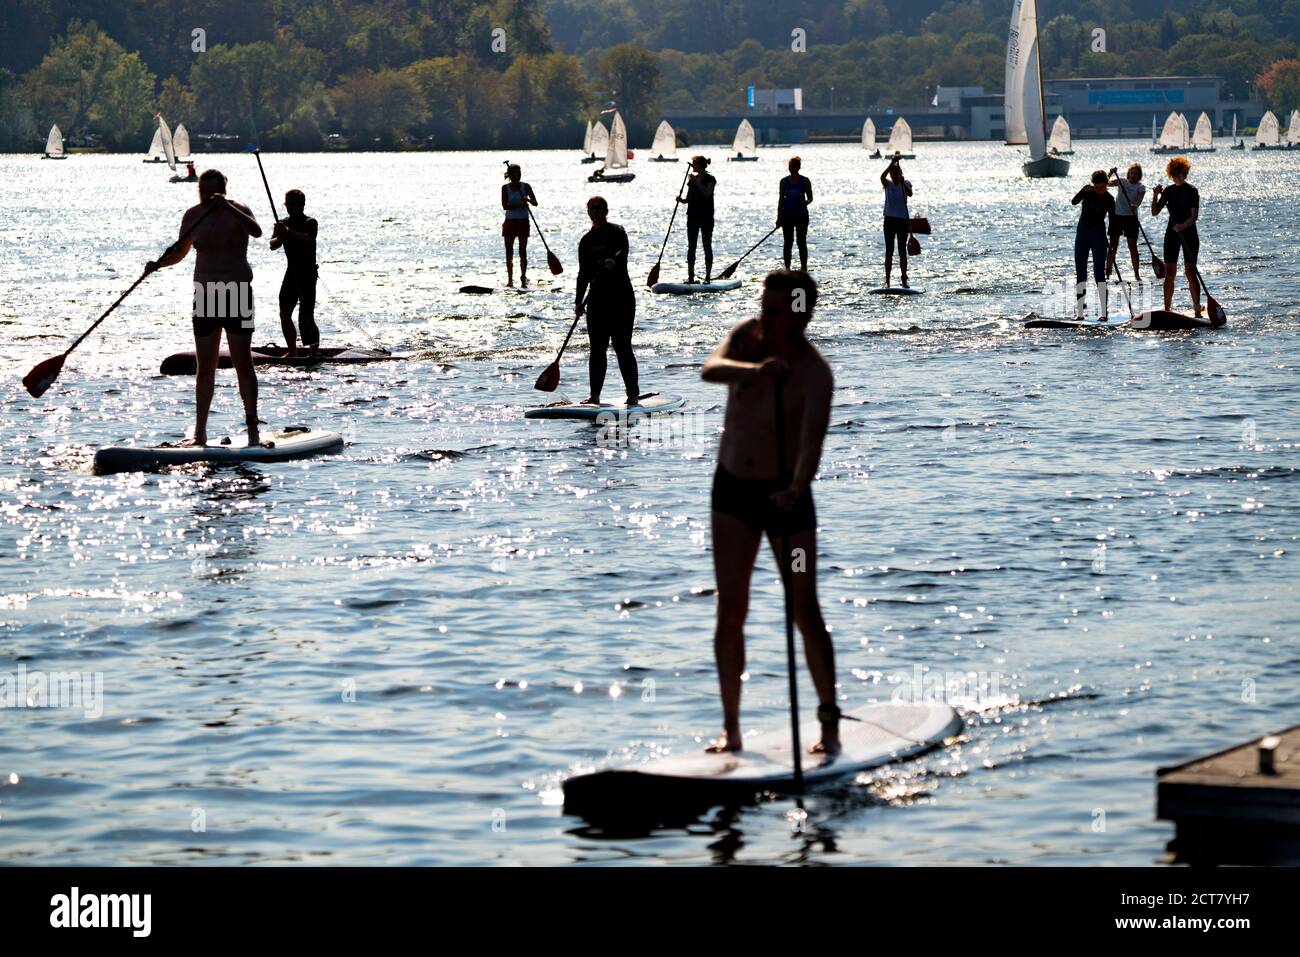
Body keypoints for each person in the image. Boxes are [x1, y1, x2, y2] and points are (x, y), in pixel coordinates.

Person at [700, 270, 839, 756]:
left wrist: (796, 487)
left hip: (786, 502)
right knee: (730, 608)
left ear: (800, 316)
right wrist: (754, 371)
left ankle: (828, 724)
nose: (764, 317)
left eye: (775, 311)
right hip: (733, 493)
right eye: (763, 305)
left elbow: (811, 445)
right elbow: (710, 369)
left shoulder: (815, 374)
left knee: (804, 609)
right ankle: (730, 729)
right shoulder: (745, 338)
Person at [144, 169, 264, 446]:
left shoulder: (239, 210)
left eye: (213, 192)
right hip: (206, 295)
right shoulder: (192, 215)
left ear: (223, 189)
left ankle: (252, 428)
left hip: (235, 292)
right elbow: (181, 251)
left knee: (242, 363)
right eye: (203, 191)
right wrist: (158, 265)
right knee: (205, 367)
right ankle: (200, 432)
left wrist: (228, 208)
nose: (207, 197)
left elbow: (256, 232)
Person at [575, 196, 639, 405]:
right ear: (588, 212)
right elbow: (583, 274)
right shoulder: (586, 241)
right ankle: (594, 396)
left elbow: (623, 251)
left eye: (598, 208)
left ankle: (632, 394)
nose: (595, 211)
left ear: (606, 210)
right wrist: (577, 302)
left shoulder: (617, 232)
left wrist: (615, 261)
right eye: (591, 208)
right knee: (597, 349)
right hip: (597, 300)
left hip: (621, 297)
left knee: (622, 346)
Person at [268, 188, 318, 356]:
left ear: (302, 205)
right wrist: (280, 236)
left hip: (307, 273)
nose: (289, 207)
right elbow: (273, 245)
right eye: (287, 204)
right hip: (291, 273)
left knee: (306, 314)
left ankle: (313, 350)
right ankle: (293, 351)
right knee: (284, 313)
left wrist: (288, 233)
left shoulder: (310, 222)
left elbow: (309, 239)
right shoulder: (282, 223)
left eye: (292, 204)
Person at [1151, 157, 1201, 316]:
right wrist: (1155, 195)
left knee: (1190, 271)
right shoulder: (1168, 191)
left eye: (1180, 174)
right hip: (1172, 234)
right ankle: (1167, 309)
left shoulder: (1192, 190)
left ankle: (1197, 309)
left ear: (1185, 174)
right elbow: (1154, 212)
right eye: (1174, 175)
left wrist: (1182, 226)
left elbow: (1194, 217)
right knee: (1169, 272)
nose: (1177, 177)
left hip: (1189, 233)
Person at [1070, 169, 1115, 319]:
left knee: (1099, 274)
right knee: (1081, 274)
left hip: (1098, 236)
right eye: (1097, 187)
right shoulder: (1087, 192)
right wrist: (1082, 191)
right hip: (1082, 234)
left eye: (1103, 187)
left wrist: (1112, 243)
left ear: (1107, 185)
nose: (1100, 190)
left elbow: (1113, 223)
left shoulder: (1109, 199)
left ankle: (1104, 312)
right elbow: (1074, 202)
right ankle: (1080, 312)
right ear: (1093, 185)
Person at [677, 155, 716, 283]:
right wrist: (681, 200)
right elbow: (688, 199)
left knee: (707, 245)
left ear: (700, 165)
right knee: (691, 246)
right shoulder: (692, 180)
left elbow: (707, 193)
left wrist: (697, 181)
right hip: (692, 216)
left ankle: (708, 277)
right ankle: (691, 277)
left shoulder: (711, 179)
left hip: (706, 217)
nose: (692, 165)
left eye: (694, 163)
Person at [1106, 163, 1145, 281]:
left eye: (1136, 174)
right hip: (1117, 216)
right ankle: (1107, 271)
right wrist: (1110, 173)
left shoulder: (1140, 187)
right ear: (1128, 174)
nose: (1133, 175)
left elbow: (1139, 199)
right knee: (1113, 246)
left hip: (1131, 218)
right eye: (1132, 173)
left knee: (1132, 246)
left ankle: (1136, 274)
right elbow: (1105, 184)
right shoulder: (1121, 181)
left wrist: (1135, 205)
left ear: (1139, 176)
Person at [501, 163, 537, 288]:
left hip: (523, 221)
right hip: (510, 222)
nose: (519, 176)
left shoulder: (526, 187)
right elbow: (505, 206)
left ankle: (523, 278)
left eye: (520, 173)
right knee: (509, 251)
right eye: (517, 174)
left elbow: (535, 203)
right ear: (511, 175)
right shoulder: (505, 188)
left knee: (522, 251)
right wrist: (519, 205)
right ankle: (510, 280)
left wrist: (528, 200)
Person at [880, 157, 913, 288]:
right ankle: (887, 281)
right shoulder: (887, 184)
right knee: (889, 251)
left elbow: (910, 194)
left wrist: (902, 182)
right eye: (891, 174)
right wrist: (891, 164)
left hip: (902, 220)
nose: (893, 176)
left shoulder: (906, 183)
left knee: (902, 251)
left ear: (899, 174)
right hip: (889, 220)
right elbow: (882, 177)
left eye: (895, 173)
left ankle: (904, 279)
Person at [776, 157, 813, 272]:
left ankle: (804, 268)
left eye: (794, 167)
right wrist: (779, 218)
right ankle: (787, 268)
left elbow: (810, 198)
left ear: (798, 167)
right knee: (788, 242)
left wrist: (805, 203)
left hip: (801, 215)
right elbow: (781, 200)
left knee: (801, 241)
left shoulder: (805, 181)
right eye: (790, 167)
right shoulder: (783, 181)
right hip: (787, 216)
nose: (791, 169)